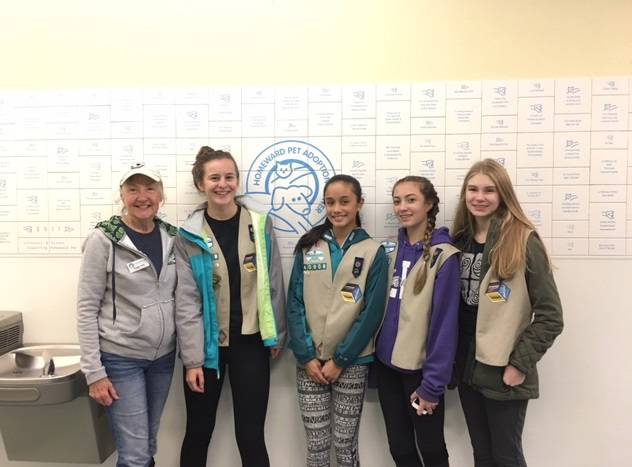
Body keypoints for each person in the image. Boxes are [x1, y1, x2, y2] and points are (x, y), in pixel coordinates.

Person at [175, 146, 285, 467]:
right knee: (198, 432)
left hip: (250, 344)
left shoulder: (259, 223)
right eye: (214, 178)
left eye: (229, 177)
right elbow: (186, 302)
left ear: (237, 181)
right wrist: (193, 361)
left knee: (250, 436)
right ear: (200, 184)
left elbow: (274, 279)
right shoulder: (188, 236)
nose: (222, 184)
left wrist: (275, 333)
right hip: (206, 351)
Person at [452, 159, 564, 467]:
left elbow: (551, 316)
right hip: (466, 365)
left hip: (503, 368)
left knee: (506, 456)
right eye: (472, 189)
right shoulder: (458, 241)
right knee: (482, 455)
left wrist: (518, 364)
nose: (479, 197)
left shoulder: (523, 239)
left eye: (489, 190)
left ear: (503, 195)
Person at [77, 163, 177, 467]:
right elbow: (86, 308)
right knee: (134, 454)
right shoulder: (104, 239)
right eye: (133, 189)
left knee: (147, 444)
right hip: (121, 359)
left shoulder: (172, 237)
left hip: (163, 359)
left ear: (161, 195)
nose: (142, 196)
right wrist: (94, 373)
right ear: (122, 194)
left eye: (149, 188)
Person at [286, 174, 388, 467]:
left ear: (359, 204)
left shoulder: (373, 252)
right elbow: (294, 301)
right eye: (330, 202)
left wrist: (341, 359)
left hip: (352, 363)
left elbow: (372, 312)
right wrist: (306, 356)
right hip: (310, 364)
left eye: (345, 201)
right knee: (316, 446)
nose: (337, 208)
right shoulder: (310, 246)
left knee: (345, 444)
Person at [375, 176, 460, 467]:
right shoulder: (389, 252)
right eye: (397, 201)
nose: (402, 207)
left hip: (420, 375)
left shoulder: (444, 256)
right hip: (387, 370)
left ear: (429, 204)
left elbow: (445, 326)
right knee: (399, 448)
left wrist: (432, 385)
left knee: (432, 449)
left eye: (410, 200)